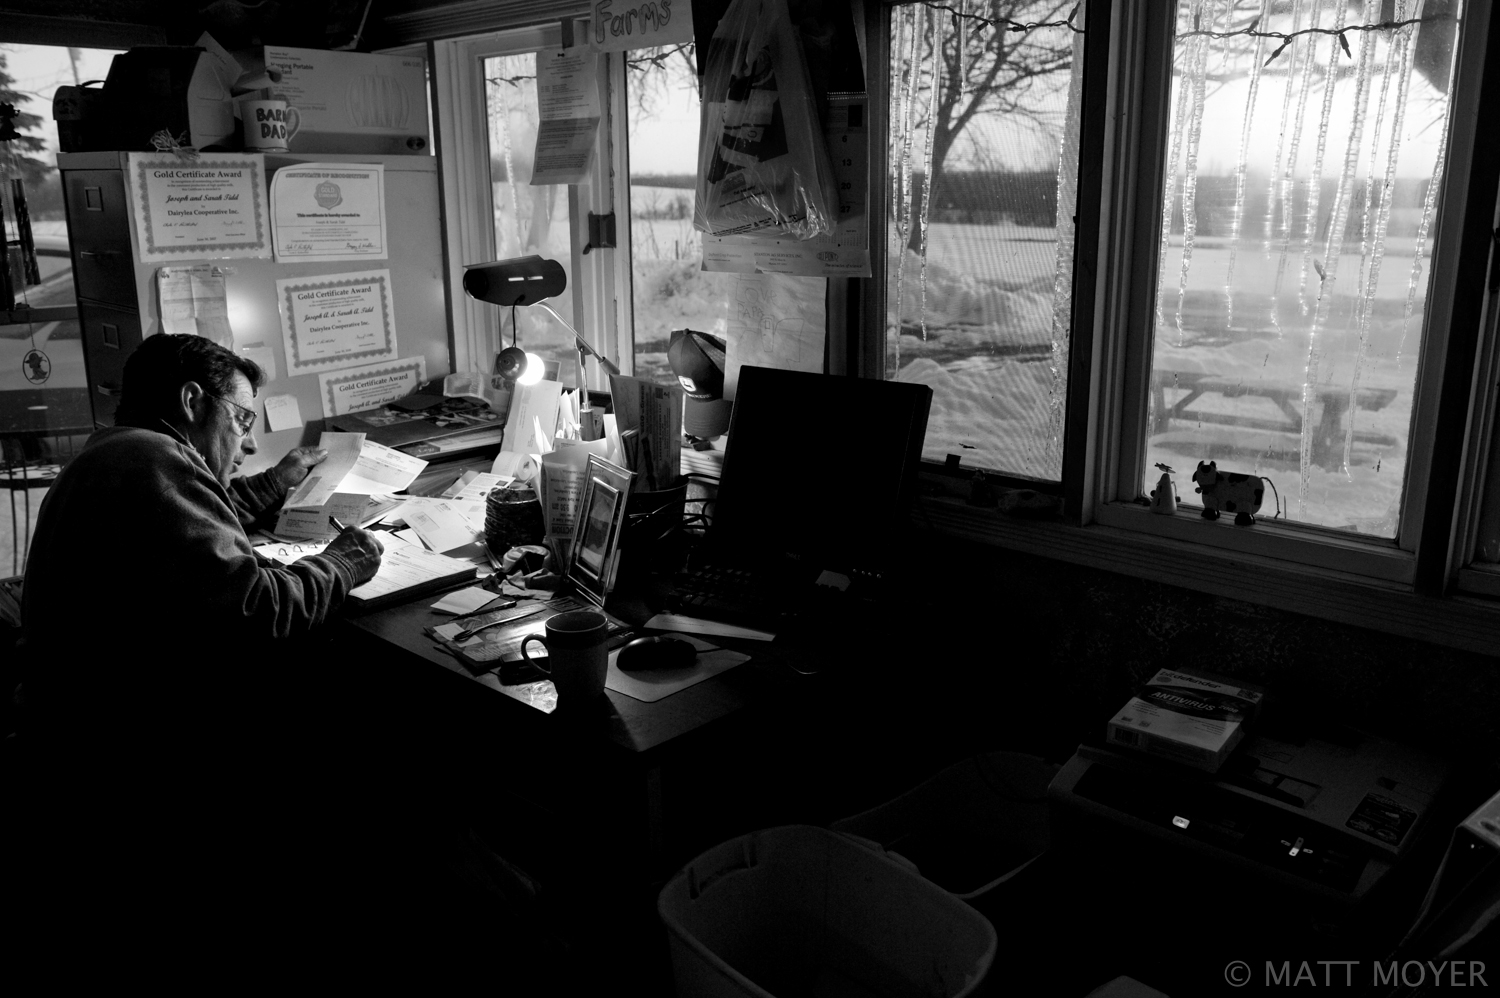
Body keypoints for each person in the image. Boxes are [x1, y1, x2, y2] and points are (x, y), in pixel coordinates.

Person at [13, 333, 391, 976]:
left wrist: (276, 481)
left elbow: (195, 526)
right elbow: (258, 610)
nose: (247, 442)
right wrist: (343, 563)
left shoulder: (119, 454)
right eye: (242, 420)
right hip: (124, 768)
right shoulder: (153, 463)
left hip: (71, 734)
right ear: (192, 400)